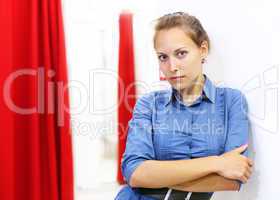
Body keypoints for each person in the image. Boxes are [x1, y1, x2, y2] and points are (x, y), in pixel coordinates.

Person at [115, 12, 253, 200]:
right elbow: (135, 173)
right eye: (163, 57)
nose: (172, 67)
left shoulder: (232, 101)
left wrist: (154, 176)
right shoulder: (148, 104)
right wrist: (217, 163)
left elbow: (231, 179)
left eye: (181, 53)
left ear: (202, 50)